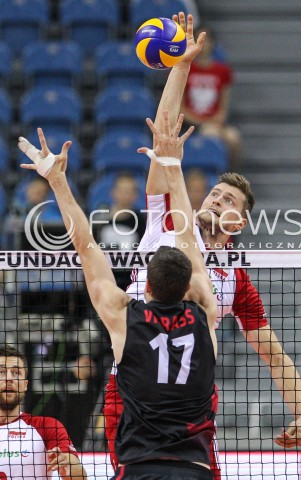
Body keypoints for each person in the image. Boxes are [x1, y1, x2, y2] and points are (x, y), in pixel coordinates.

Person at [104, 12, 301, 480]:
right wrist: (180, 65)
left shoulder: (236, 280)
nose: (217, 196)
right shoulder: (167, 222)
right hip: (131, 385)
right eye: (216, 192)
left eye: (229, 198)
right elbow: (164, 139)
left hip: (192, 403)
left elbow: (275, 354)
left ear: (240, 220)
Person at [18, 113, 219, 480]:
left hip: (139, 468)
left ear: (145, 286)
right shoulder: (205, 314)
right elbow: (191, 239)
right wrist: (173, 166)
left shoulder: (126, 318)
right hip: (195, 469)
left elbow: (86, 246)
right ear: (191, 284)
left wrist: (58, 181)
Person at [0, 344, 87, 480]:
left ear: (25, 385)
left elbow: (79, 474)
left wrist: (68, 469)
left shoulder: (47, 426)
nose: (9, 378)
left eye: (16, 373)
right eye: (1, 372)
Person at [181, 24, 241, 168]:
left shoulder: (222, 71)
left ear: (213, 43)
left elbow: (223, 105)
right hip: (191, 123)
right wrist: (200, 122)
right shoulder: (185, 68)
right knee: (210, 134)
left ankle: (231, 176)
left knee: (234, 137)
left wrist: (216, 120)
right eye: (198, 39)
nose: (203, 43)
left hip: (215, 122)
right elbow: (180, 107)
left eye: (206, 39)